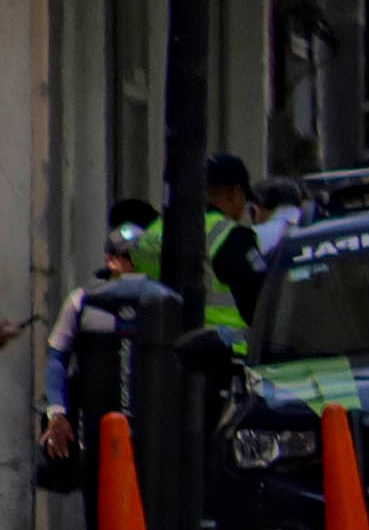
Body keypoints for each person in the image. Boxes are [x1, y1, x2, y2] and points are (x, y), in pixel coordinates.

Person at [129, 152, 266, 344]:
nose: (243, 208)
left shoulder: (151, 233)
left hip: (155, 351)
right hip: (220, 351)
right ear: (235, 193)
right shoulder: (232, 236)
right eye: (244, 199)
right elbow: (260, 302)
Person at [41, 223, 143, 464]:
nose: (136, 263)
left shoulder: (160, 300)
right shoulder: (82, 301)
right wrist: (57, 413)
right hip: (95, 421)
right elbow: (57, 357)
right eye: (128, 256)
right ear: (111, 260)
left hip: (147, 424)